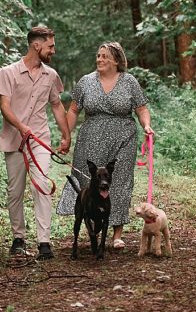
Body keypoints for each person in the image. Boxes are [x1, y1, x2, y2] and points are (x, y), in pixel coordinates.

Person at [55, 41, 154, 249]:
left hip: (123, 139)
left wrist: (146, 126)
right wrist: (66, 136)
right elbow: (73, 111)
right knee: (88, 182)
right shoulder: (85, 82)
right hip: (90, 139)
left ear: (116, 60)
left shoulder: (129, 82)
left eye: (104, 56)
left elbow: (142, 109)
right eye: (98, 56)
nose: (99, 59)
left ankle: (117, 234)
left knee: (119, 183)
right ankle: (92, 225)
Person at [0, 25, 71, 260]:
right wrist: (21, 127)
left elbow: (57, 105)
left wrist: (65, 135)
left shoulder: (51, 75)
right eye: (50, 46)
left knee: (42, 186)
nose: (53, 51)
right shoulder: (8, 72)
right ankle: (18, 238)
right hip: (15, 139)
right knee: (15, 191)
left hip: (39, 139)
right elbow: (4, 106)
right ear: (36, 45)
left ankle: (44, 242)